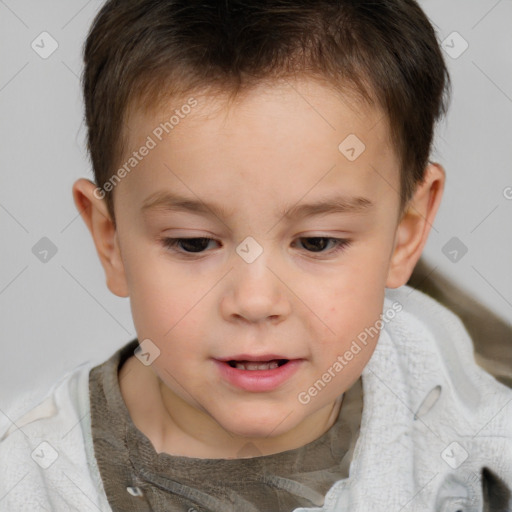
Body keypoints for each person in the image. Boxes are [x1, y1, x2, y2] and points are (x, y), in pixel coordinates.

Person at [1, 1, 511, 510]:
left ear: (406, 232)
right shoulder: (30, 481)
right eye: (194, 243)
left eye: (317, 242)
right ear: (110, 239)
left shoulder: (456, 403)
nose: (255, 300)